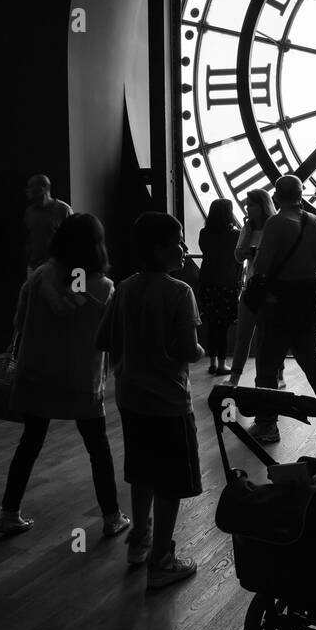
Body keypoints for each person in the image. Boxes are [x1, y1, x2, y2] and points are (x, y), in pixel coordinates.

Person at [0, 214, 129, 537]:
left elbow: (18, 322)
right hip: (81, 380)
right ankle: (112, 517)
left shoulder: (40, 277)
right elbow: (112, 339)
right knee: (98, 449)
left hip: (36, 374)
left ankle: (9, 513)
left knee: (29, 444)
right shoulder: (104, 287)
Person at [97, 212, 205, 589]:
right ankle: (162, 559)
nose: (183, 248)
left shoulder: (125, 288)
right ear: (161, 250)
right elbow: (187, 351)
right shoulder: (180, 293)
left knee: (142, 472)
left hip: (132, 397)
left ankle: (139, 539)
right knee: (171, 482)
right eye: (178, 241)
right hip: (170, 402)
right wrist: (199, 349)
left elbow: (106, 340)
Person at [248, 176, 316, 445]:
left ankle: (267, 424)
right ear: (301, 193)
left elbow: (262, 265)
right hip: (306, 300)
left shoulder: (276, 224)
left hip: (278, 302)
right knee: (311, 361)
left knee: (267, 364)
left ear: (276, 196)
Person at [229, 189, 282, 389]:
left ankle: (235, 378)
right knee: (264, 338)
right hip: (267, 289)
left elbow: (237, 257)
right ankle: (270, 380)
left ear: (261, 206)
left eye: (251, 204)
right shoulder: (274, 227)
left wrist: (247, 246)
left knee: (244, 337)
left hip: (251, 286)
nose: (247, 208)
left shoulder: (248, 229)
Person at [197, 198, 242, 375]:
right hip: (227, 284)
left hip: (207, 283)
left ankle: (213, 362)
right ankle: (223, 364)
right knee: (223, 327)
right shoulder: (235, 235)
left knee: (211, 325)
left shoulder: (204, 233)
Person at [23, 174, 72, 276]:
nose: (27, 190)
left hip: (56, 269)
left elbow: (72, 240)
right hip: (33, 267)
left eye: (30, 187)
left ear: (42, 188)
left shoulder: (63, 210)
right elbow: (28, 238)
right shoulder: (29, 212)